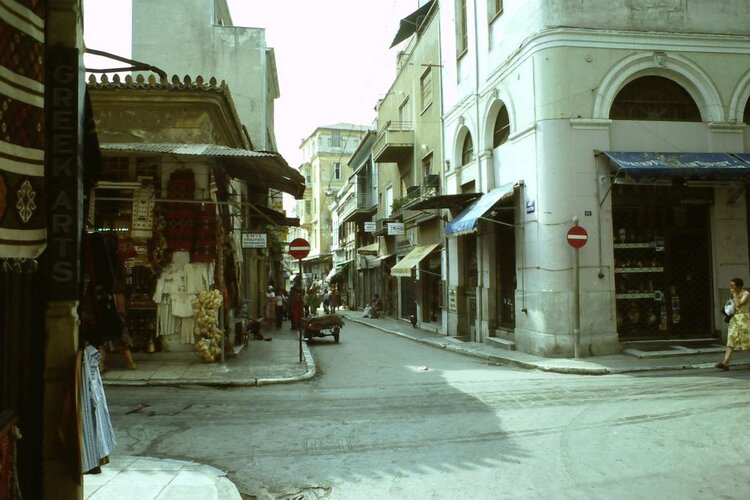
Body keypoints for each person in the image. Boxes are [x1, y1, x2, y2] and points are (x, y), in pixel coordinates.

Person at [716, 277, 750, 370]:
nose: (731, 287)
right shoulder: (733, 294)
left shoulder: (746, 294)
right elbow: (731, 306)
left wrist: (734, 295)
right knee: (731, 341)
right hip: (734, 320)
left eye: (732, 285)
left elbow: (739, 304)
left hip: (744, 320)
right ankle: (725, 363)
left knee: (747, 341)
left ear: (738, 286)